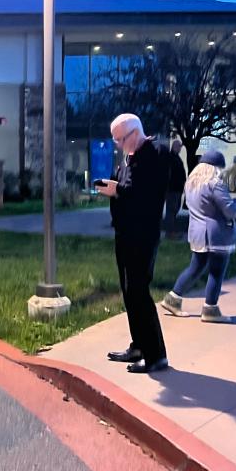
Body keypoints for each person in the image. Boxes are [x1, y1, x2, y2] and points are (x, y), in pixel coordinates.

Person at [96, 113, 170, 374]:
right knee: (129, 291)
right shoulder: (128, 158)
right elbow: (126, 190)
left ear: (135, 133)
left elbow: (144, 195)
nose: (117, 144)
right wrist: (114, 189)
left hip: (143, 234)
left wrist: (117, 190)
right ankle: (139, 345)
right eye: (115, 139)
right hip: (125, 233)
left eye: (120, 139)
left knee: (139, 291)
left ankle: (156, 355)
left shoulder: (154, 154)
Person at [160, 150, 236, 323]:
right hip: (216, 233)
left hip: (197, 232)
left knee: (195, 267)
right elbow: (230, 211)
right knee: (217, 271)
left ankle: (172, 299)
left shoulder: (191, 184)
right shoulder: (215, 184)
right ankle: (210, 309)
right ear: (216, 168)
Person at [163, 139, 186, 238]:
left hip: (177, 189)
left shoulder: (176, 158)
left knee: (174, 210)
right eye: (178, 147)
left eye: (180, 147)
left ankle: (172, 231)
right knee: (171, 210)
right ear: (174, 146)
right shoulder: (170, 158)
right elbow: (169, 174)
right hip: (172, 189)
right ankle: (170, 232)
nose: (180, 149)